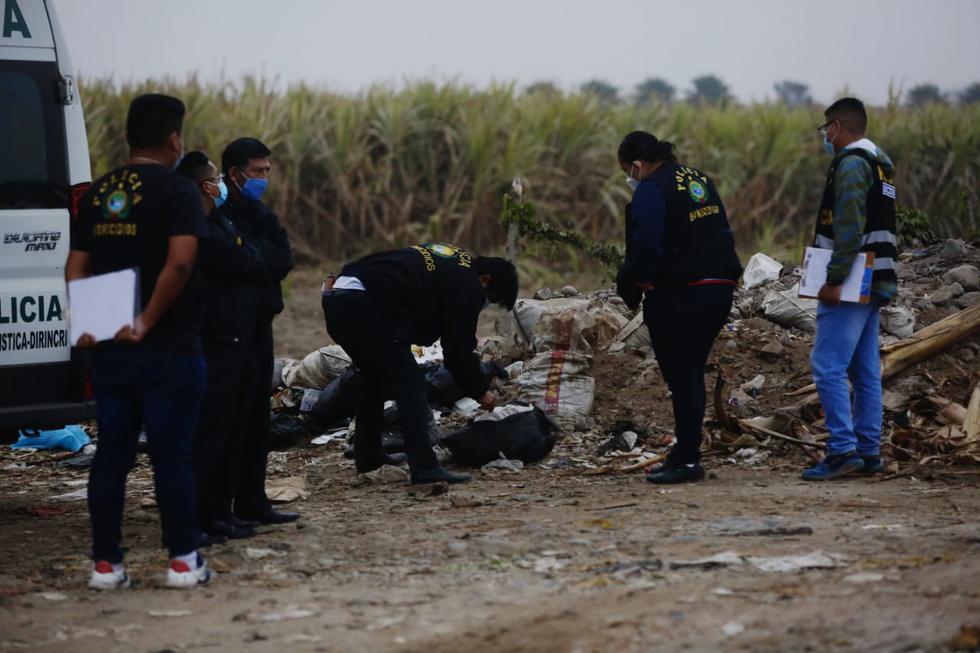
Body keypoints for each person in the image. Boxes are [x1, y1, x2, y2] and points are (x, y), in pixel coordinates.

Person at [67, 94, 213, 589]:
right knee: (173, 457)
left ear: (129, 137)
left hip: (109, 349)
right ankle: (182, 562)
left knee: (112, 455)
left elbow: (76, 266)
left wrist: (85, 321)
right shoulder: (177, 192)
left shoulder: (101, 191)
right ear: (174, 139)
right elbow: (180, 262)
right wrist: (147, 319)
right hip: (168, 347)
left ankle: (105, 565)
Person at [321, 244, 518, 484]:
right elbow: (458, 351)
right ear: (486, 280)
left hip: (338, 297)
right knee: (410, 383)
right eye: (491, 299)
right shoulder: (467, 285)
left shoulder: (454, 263)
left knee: (374, 378)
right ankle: (424, 467)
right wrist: (479, 391)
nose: (485, 304)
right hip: (363, 303)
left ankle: (368, 454)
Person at [614, 131, 743, 485]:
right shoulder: (698, 177)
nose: (630, 178)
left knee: (682, 374)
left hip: (684, 293)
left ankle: (687, 460)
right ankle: (686, 451)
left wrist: (634, 280)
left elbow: (646, 246)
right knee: (691, 372)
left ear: (637, 165)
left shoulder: (651, 189)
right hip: (720, 287)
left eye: (627, 171)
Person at [803, 97, 897, 481]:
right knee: (864, 370)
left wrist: (834, 278)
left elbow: (849, 224)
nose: (825, 136)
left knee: (827, 366)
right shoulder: (879, 165)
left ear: (838, 126)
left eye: (826, 129)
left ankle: (842, 450)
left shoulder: (853, 165)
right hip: (877, 276)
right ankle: (869, 451)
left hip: (853, 278)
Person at [176, 152, 261, 540]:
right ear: (204, 186)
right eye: (214, 179)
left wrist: (246, 257)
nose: (219, 186)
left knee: (229, 430)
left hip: (235, 333)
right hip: (212, 337)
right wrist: (245, 257)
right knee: (210, 432)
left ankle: (220, 513)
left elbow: (253, 257)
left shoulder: (220, 219)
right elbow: (240, 260)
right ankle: (200, 516)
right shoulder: (196, 228)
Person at [214, 138, 298, 524]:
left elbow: (282, 258)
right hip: (227, 329)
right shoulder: (217, 213)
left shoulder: (259, 213)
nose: (265, 178)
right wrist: (253, 259)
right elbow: (229, 261)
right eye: (258, 172)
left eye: (268, 170)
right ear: (234, 174)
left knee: (256, 418)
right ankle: (221, 507)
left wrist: (253, 259)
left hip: (260, 325)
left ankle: (253, 501)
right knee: (229, 418)